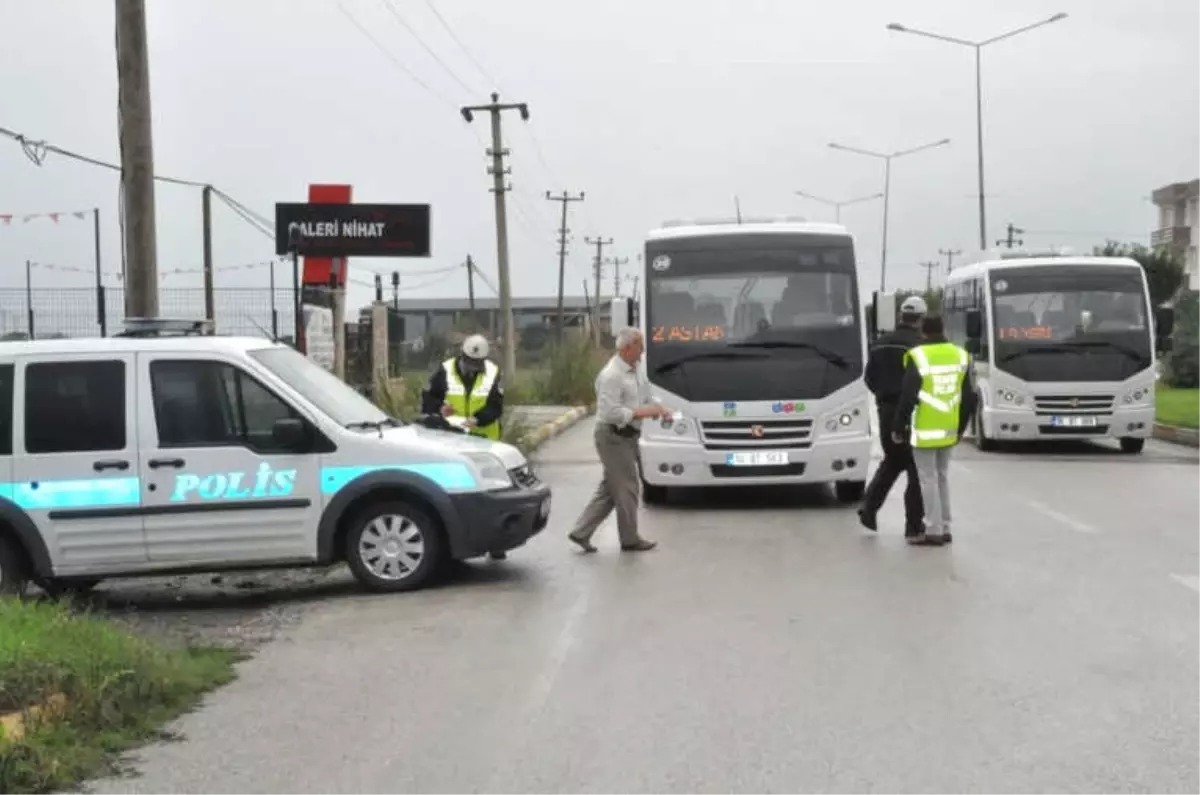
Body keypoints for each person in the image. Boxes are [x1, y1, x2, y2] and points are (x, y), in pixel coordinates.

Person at [567, 328, 669, 554]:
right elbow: (611, 412)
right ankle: (630, 539)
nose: (643, 351)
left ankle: (581, 532)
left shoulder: (635, 370)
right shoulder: (611, 375)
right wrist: (641, 413)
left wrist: (657, 409)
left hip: (628, 436)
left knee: (611, 488)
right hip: (612, 436)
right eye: (639, 346)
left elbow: (643, 398)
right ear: (627, 348)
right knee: (628, 486)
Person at [891, 315, 977, 547]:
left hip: (926, 428)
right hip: (949, 427)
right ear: (943, 329)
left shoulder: (918, 356)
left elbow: (908, 395)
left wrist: (898, 427)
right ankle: (946, 526)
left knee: (926, 478)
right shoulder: (961, 355)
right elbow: (970, 396)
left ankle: (933, 529)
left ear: (922, 331)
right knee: (942, 476)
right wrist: (961, 427)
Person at [421, 333, 507, 559]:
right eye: (470, 363)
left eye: (478, 365)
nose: (474, 368)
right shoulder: (445, 370)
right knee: (454, 491)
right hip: (452, 440)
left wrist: (478, 419)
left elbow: (496, 407)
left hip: (485, 441)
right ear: (462, 357)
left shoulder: (493, 373)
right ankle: (453, 543)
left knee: (490, 494)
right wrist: (440, 408)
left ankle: (496, 543)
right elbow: (428, 398)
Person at [859, 295, 927, 537]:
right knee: (915, 468)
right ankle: (913, 525)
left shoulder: (880, 343)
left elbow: (868, 378)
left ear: (901, 316)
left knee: (893, 461)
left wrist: (881, 396)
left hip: (884, 410)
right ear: (920, 319)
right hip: (909, 412)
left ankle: (868, 507)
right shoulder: (919, 346)